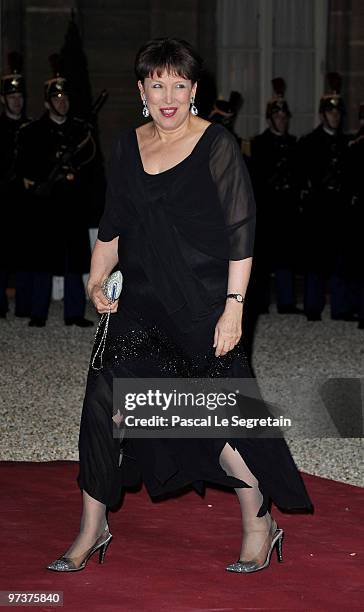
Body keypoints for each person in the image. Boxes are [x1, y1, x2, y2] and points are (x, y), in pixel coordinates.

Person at [47, 38, 312, 575]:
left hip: (202, 307)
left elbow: (242, 233)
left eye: (180, 84)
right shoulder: (126, 147)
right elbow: (112, 225)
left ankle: (261, 523)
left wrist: (234, 308)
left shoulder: (216, 144)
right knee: (102, 407)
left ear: (194, 90)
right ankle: (92, 527)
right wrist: (96, 282)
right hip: (139, 304)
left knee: (202, 421)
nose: (169, 96)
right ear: (142, 90)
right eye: (158, 84)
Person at [16, 55, 95, 327]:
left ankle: (74, 313)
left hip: (72, 206)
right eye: (57, 99)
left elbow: (93, 168)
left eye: (65, 99)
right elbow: (26, 166)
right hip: (45, 206)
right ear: (48, 102)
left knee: (74, 262)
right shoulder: (33, 132)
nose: (63, 103)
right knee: (42, 261)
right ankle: (38, 312)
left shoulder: (80, 131)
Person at [299, 73, 352, 321]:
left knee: (340, 261)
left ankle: (340, 308)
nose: (335, 116)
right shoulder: (309, 142)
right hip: (318, 210)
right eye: (330, 112)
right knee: (315, 262)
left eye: (338, 112)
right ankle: (313, 308)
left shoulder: (347, 143)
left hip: (340, 210)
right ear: (322, 114)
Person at [250, 78, 301, 314]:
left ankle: (286, 302)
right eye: (278, 116)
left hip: (288, 209)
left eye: (285, 117)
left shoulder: (294, 144)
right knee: (262, 261)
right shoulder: (257, 144)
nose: (282, 120)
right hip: (266, 210)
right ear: (270, 118)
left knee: (286, 258)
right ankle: (260, 303)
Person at [0, 52, 32, 318]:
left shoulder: (31, 128)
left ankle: (23, 306)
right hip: (2, 199)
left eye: (20, 97)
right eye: (12, 97)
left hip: (23, 201)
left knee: (24, 256)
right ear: (4, 99)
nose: (17, 101)